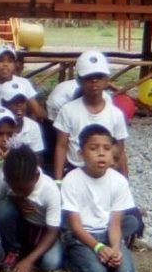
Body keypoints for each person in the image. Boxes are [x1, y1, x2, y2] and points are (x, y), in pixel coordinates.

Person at [61, 125, 138, 272]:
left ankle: (114, 251)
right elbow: (76, 225)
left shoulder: (119, 181)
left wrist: (115, 249)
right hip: (81, 236)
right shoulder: (71, 179)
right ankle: (71, 258)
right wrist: (98, 247)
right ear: (81, 154)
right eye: (94, 148)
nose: (101, 153)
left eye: (107, 148)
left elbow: (115, 223)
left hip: (108, 235)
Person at [54, 51, 128, 181]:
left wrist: (124, 180)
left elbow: (120, 151)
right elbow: (61, 146)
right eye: (89, 77)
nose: (94, 81)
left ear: (106, 81)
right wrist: (58, 180)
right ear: (79, 81)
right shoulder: (68, 110)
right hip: (75, 170)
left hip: (105, 172)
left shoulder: (116, 114)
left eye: (99, 76)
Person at [0, 146, 63, 272]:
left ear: (36, 175)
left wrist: (28, 261)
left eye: (23, 189)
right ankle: (13, 251)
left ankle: (30, 257)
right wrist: (18, 201)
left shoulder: (50, 190)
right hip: (24, 225)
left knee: (51, 263)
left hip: (44, 231)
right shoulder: (10, 179)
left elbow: (52, 231)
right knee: (3, 207)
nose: (19, 192)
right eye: (14, 188)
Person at [0, 44, 45, 130]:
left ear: (15, 65)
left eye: (10, 61)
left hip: (18, 129)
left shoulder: (23, 83)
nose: (5, 65)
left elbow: (37, 111)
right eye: (1, 61)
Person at [1, 80, 45, 166]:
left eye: (22, 101)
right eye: (14, 101)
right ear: (3, 104)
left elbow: (38, 158)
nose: (19, 105)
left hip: (26, 172)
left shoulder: (33, 126)